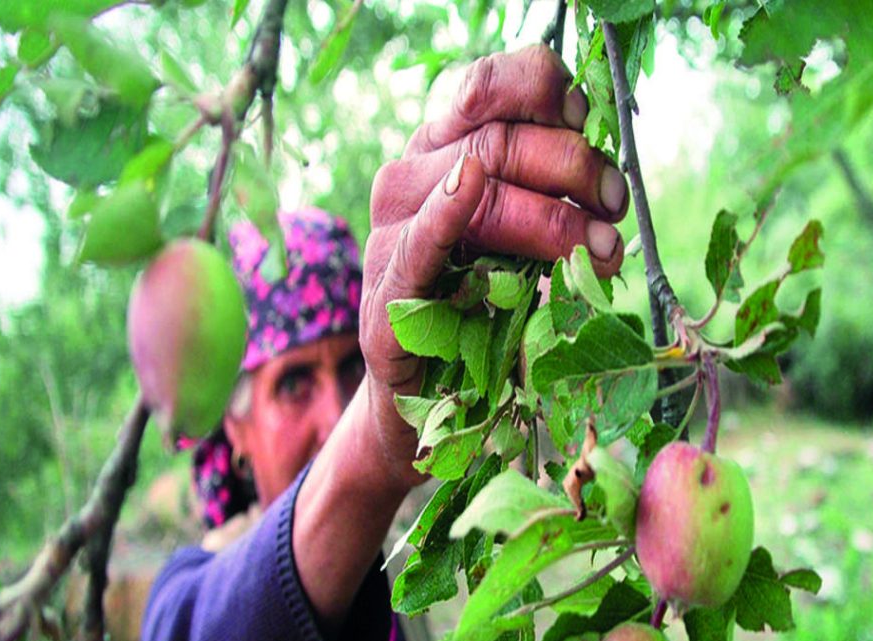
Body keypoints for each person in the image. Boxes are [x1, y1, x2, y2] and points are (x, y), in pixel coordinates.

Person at [141, 44, 628, 640]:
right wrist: (373, 438)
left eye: (354, 366)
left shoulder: (400, 565)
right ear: (234, 426)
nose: (333, 412)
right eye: (292, 384)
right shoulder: (189, 590)